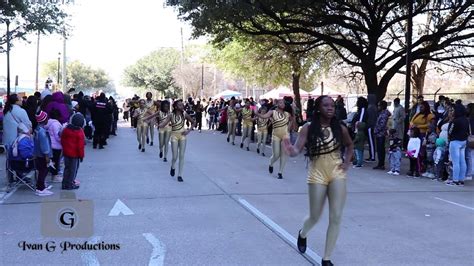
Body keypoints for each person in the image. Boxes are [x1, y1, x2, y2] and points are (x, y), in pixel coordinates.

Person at [283, 95, 353, 266]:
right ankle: (303, 233)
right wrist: (290, 150)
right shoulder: (307, 128)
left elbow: (350, 145)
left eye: (333, 106)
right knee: (315, 216)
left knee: (336, 216)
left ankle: (326, 258)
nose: (330, 108)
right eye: (326, 105)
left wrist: (346, 162)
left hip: (337, 173)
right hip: (317, 175)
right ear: (318, 108)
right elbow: (297, 149)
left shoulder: (340, 127)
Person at [255, 99, 294, 179]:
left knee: (284, 155)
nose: (282, 104)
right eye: (280, 102)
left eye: (283, 103)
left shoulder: (287, 114)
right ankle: (271, 163)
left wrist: (289, 128)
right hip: (275, 135)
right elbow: (264, 116)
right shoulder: (272, 112)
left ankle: (280, 172)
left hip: (285, 136)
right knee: (276, 154)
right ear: (277, 104)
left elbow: (292, 121)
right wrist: (256, 113)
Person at [159, 100, 196, 182]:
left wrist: (188, 131)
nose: (182, 106)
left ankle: (180, 175)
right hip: (174, 136)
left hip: (183, 136)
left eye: (182, 105)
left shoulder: (184, 114)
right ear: (175, 106)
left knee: (182, 156)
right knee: (175, 156)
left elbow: (193, 122)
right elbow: (164, 123)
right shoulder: (171, 115)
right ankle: (173, 166)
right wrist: (158, 124)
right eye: (180, 105)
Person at [446, 103, 469, 186]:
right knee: (462, 161)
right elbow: (468, 131)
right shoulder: (466, 120)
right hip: (463, 141)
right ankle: (461, 180)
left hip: (455, 142)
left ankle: (455, 180)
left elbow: (450, 132)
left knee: (456, 162)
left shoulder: (455, 121)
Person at [61, 113, 85, 190]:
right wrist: (81, 156)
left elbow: (62, 140)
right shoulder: (79, 132)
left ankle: (64, 183)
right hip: (75, 155)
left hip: (66, 153)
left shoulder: (66, 130)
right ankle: (70, 184)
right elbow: (80, 146)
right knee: (73, 170)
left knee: (67, 168)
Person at [33, 111, 54, 196]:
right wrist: (47, 156)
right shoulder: (42, 132)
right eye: (47, 118)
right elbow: (44, 146)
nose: (48, 119)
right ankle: (40, 188)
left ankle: (41, 186)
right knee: (43, 171)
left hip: (37, 154)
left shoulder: (37, 129)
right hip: (43, 155)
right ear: (44, 119)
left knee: (41, 170)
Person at [45, 109, 63, 183]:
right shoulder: (56, 124)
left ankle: (51, 174)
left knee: (51, 161)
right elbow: (57, 136)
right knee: (55, 161)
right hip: (56, 145)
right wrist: (62, 139)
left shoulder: (48, 122)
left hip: (49, 144)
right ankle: (54, 176)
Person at [373, 100, 391, 170]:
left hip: (381, 134)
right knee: (380, 149)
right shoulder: (381, 113)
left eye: (379, 105)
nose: (378, 107)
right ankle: (380, 163)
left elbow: (382, 125)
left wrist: (376, 131)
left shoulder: (384, 114)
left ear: (382, 106)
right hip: (379, 133)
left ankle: (381, 164)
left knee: (381, 149)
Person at [365, 94, 378, 162]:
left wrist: (369, 125)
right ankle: (371, 155)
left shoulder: (371, 107)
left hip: (370, 126)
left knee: (371, 142)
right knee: (371, 142)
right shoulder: (373, 107)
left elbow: (370, 118)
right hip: (372, 126)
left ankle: (372, 157)